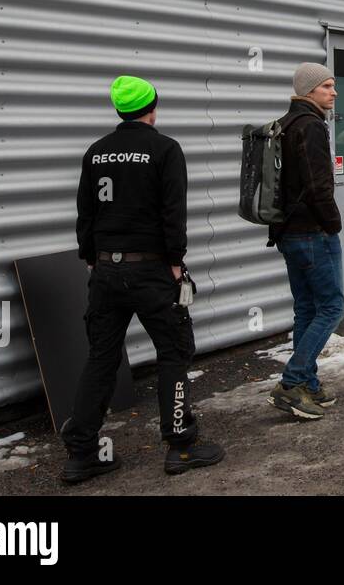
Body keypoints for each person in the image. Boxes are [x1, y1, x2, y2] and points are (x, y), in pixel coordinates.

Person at [62, 75, 223, 483]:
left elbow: (86, 213)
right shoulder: (165, 149)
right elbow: (174, 211)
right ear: (153, 107)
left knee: (102, 356)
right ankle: (181, 446)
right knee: (173, 352)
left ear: (119, 110)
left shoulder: (96, 152)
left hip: (105, 269)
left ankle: (81, 454)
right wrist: (175, 261)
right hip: (151, 268)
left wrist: (91, 258)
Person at [267, 63, 344, 420]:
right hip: (312, 232)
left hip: (287, 232)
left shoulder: (283, 125)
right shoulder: (312, 126)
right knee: (332, 306)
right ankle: (291, 382)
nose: (333, 92)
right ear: (308, 91)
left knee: (306, 308)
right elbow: (318, 186)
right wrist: (333, 224)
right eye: (327, 86)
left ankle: (309, 384)